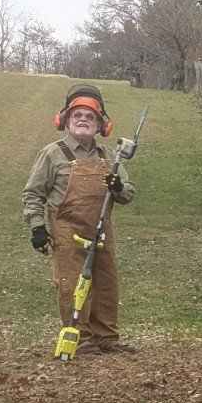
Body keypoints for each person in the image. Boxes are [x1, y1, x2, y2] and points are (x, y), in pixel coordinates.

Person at [23, 83, 135, 355]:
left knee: (107, 284)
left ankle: (106, 338)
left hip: (102, 230)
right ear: (65, 121)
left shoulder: (109, 156)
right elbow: (32, 193)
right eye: (77, 115)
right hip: (67, 230)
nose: (83, 120)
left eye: (90, 117)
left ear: (100, 126)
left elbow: (128, 194)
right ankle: (81, 339)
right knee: (72, 285)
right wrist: (38, 227)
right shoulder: (53, 153)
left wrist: (117, 186)